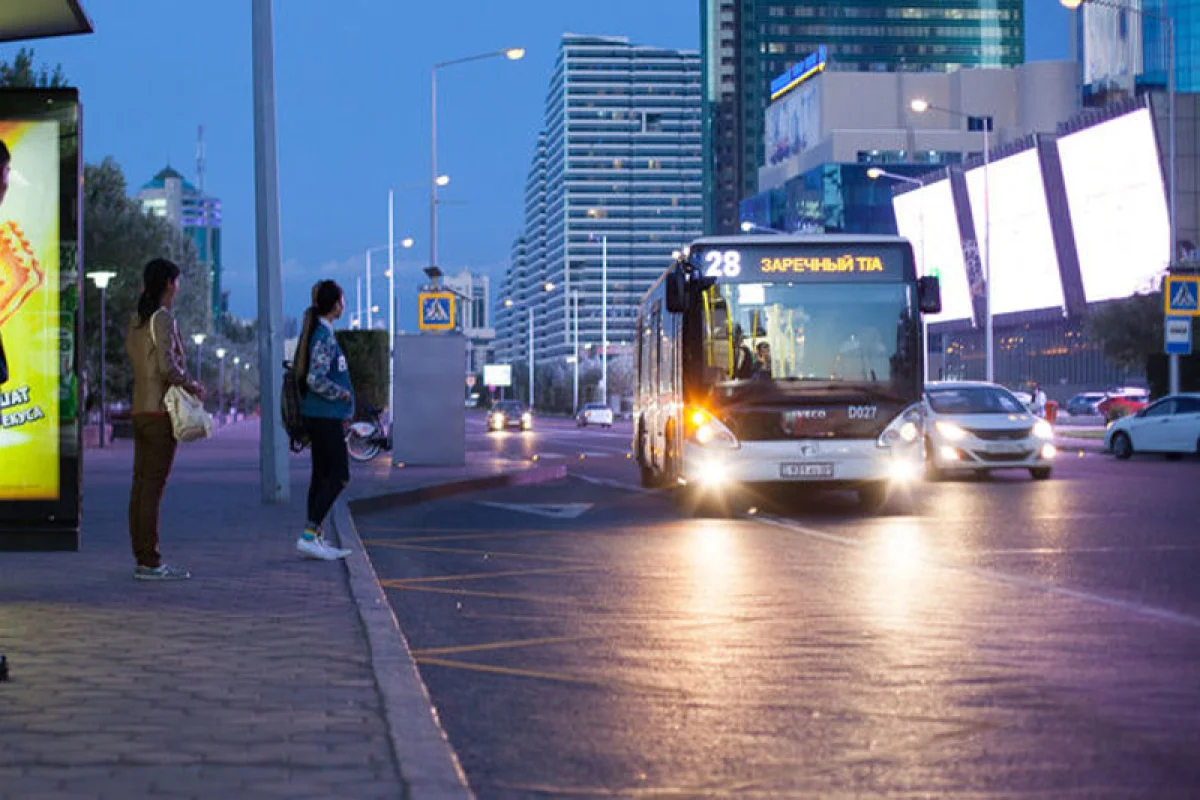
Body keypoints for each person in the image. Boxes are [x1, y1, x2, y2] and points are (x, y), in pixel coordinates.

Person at [126, 259, 205, 581]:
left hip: (139, 411)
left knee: (141, 487)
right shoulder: (163, 319)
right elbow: (167, 367)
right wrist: (192, 384)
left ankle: (143, 555)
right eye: (177, 281)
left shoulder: (135, 320)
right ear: (170, 283)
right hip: (160, 414)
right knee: (152, 490)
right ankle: (150, 561)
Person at [295, 280, 354, 561]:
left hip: (320, 416)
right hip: (324, 416)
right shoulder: (324, 337)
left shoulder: (321, 332)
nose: (344, 305)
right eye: (343, 300)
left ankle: (314, 536)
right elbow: (315, 379)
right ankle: (309, 534)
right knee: (340, 476)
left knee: (321, 476)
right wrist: (341, 393)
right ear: (335, 304)